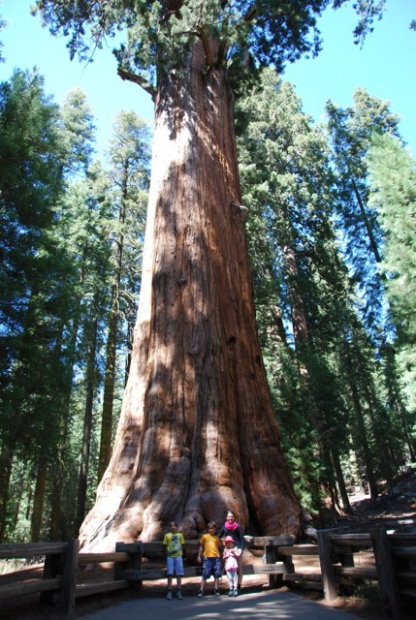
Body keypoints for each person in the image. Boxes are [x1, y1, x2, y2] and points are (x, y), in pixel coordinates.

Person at [218, 510, 244, 592]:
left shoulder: (237, 526)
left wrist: (240, 549)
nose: (230, 518)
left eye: (232, 516)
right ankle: (231, 587)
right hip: (228, 549)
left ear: (234, 518)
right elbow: (219, 536)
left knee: (238, 568)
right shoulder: (224, 526)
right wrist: (222, 542)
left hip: (236, 548)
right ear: (226, 517)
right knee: (229, 568)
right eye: (229, 516)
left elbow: (241, 539)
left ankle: (238, 586)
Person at [197, 520, 222, 597]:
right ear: (208, 529)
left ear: (215, 529)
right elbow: (201, 546)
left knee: (217, 574)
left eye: (213, 528)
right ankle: (201, 590)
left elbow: (219, 547)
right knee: (205, 574)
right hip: (207, 558)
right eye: (210, 528)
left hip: (216, 558)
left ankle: (216, 589)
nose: (211, 530)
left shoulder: (216, 538)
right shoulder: (205, 537)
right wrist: (199, 556)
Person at [163, 521, 185, 600]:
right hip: (170, 557)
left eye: (175, 526)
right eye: (171, 526)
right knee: (170, 574)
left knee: (179, 574)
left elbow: (181, 545)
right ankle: (169, 591)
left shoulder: (180, 535)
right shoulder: (167, 536)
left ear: (177, 527)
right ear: (169, 528)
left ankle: (179, 590)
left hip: (178, 556)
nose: (173, 527)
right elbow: (165, 546)